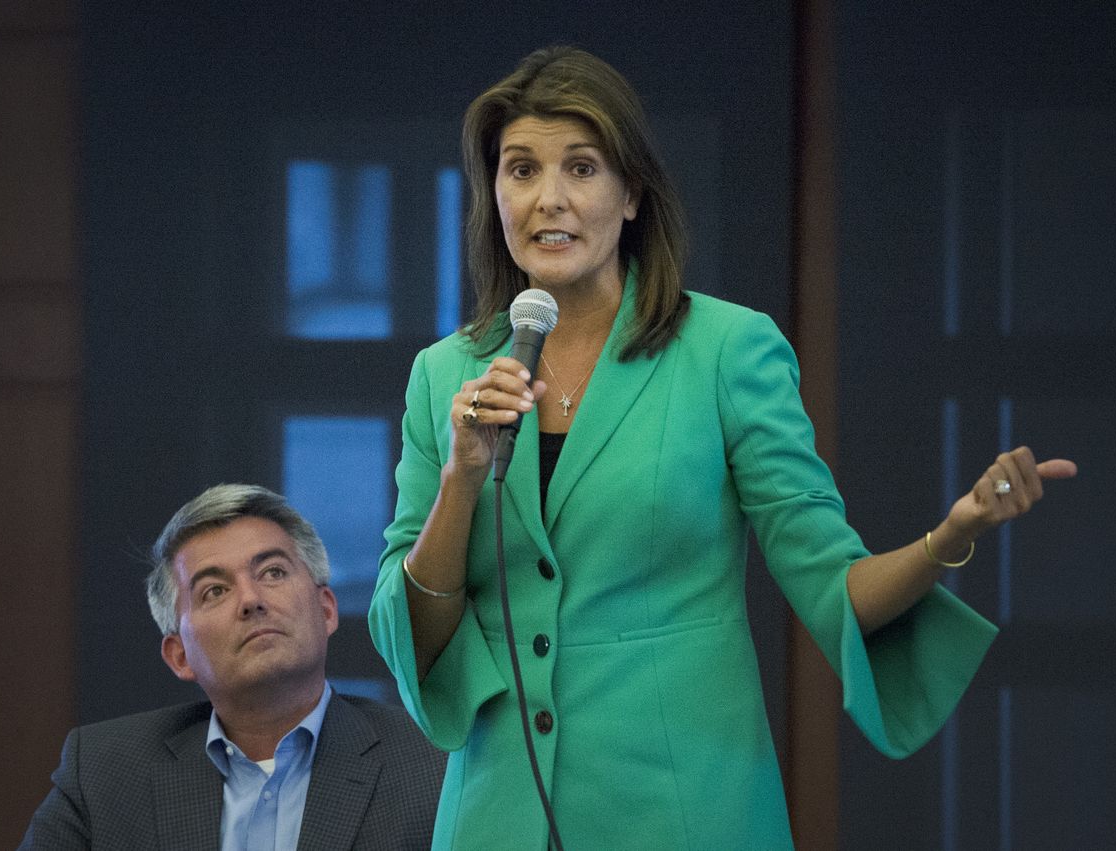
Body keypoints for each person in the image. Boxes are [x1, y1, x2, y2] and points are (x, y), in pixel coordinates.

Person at [367, 46, 1077, 850]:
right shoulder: (444, 374)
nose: (549, 199)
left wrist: (952, 537)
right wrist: (463, 475)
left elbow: (832, 583)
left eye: (583, 167)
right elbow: (414, 633)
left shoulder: (726, 349)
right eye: (521, 169)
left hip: (684, 810)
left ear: (632, 193)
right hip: (498, 815)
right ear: (492, 191)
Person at [22, 484, 445, 850]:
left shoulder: (431, 765)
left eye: (273, 572)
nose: (251, 599)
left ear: (327, 610)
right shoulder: (104, 773)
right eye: (214, 591)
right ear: (179, 656)